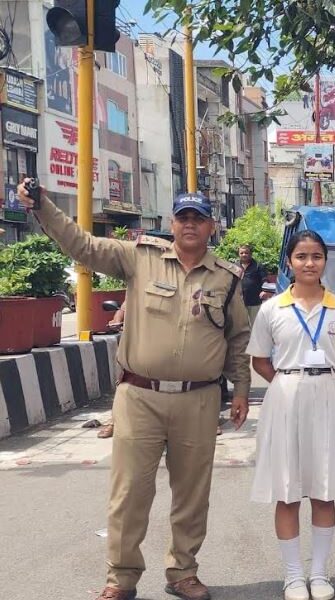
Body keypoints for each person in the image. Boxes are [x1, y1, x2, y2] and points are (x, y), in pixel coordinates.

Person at [18, 180, 251, 600]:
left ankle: (183, 572)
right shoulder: (138, 258)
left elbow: (237, 338)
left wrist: (240, 391)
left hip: (199, 400)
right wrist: (43, 207)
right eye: (183, 218)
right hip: (140, 397)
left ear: (211, 226)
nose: (190, 225)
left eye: (199, 218)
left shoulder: (227, 278)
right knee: (129, 493)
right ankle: (121, 579)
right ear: (172, 224)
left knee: (192, 494)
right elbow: (83, 246)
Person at [247, 230, 335, 600]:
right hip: (285, 397)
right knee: (287, 490)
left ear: (325, 260)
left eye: (316, 256)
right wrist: (288, 383)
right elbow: (260, 360)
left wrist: (321, 385)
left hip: (328, 394)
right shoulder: (272, 309)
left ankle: (320, 573)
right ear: (289, 262)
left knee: (324, 489)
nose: (309, 263)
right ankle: (294, 576)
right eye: (301, 256)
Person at [98, 300, 128, 439]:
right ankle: (113, 422)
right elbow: (123, 308)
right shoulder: (139, 290)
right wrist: (117, 320)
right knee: (125, 381)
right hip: (140, 344)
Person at [238, 244, 268, 327]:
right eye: (241, 253)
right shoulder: (235, 266)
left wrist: (264, 291)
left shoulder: (258, 266)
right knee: (240, 326)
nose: (244, 255)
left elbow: (264, 280)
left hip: (254, 301)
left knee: (255, 325)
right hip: (239, 301)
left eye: (246, 253)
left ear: (251, 254)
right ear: (238, 254)